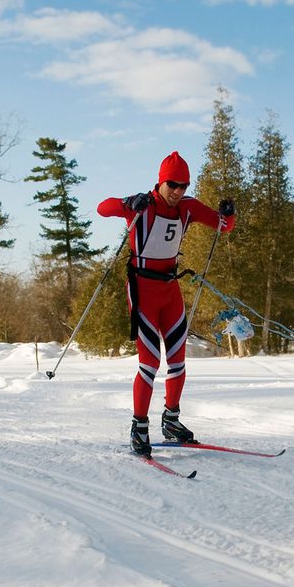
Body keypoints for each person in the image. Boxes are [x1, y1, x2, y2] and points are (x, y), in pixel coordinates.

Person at [97, 151, 235, 458]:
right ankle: (139, 427)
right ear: (161, 181)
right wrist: (126, 203)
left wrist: (229, 212)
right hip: (142, 289)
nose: (178, 191)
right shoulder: (143, 205)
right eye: (173, 184)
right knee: (149, 363)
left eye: (184, 185)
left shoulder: (187, 208)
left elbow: (224, 226)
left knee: (178, 360)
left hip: (170, 290)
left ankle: (171, 421)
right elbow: (102, 208)